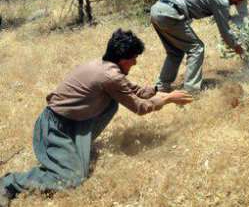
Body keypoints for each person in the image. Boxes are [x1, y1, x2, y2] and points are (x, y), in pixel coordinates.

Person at [0, 29, 192, 207]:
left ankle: (75, 149)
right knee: (72, 179)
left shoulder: (106, 67)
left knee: (111, 103)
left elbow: (134, 90)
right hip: (54, 129)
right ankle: (9, 183)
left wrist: (159, 90)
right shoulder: (110, 77)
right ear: (123, 59)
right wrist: (168, 99)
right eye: (133, 59)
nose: (135, 63)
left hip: (71, 122)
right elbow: (139, 107)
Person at [149, 0, 249, 93]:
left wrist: (242, 15)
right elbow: (225, 31)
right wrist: (236, 46)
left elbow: (226, 16)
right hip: (171, 13)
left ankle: (162, 86)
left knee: (175, 52)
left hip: (157, 10)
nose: (237, 3)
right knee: (196, 48)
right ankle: (191, 91)